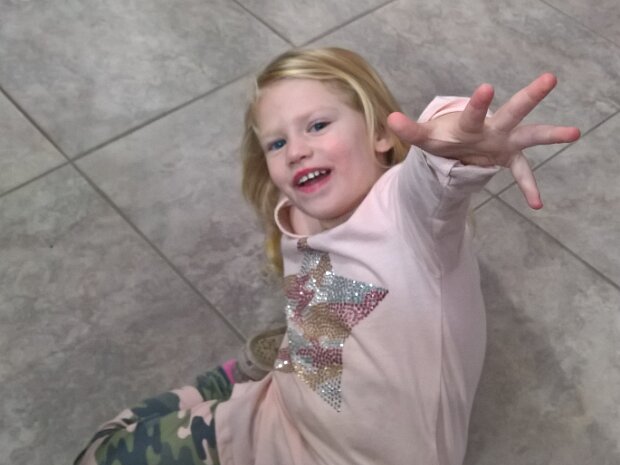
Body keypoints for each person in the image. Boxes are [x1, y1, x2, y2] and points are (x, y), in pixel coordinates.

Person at [74, 47, 580, 465]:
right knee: (112, 439)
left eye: (317, 125)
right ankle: (257, 369)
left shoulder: (410, 217)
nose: (295, 150)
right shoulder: (303, 211)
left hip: (296, 446)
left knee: (104, 448)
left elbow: (437, 165)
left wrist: (460, 143)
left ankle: (243, 374)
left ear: (380, 133)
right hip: (283, 405)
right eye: (277, 143)